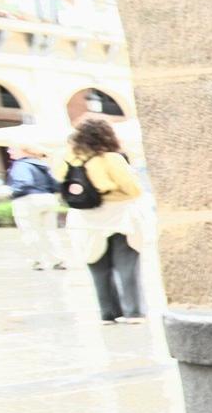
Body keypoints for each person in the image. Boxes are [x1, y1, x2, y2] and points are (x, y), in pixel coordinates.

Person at [55, 118, 148, 324]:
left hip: (84, 219)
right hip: (118, 215)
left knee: (97, 265)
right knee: (126, 264)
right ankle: (133, 312)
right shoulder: (111, 159)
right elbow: (133, 190)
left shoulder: (66, 159)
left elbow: (60, 185)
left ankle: (108, 312)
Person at [7, 147, 65, 271]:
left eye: (12, 149)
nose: (8, 151)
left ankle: (37, 261)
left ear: (24, 151)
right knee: (50, 231)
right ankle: (58, 260)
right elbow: (56, 184)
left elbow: (24, 182)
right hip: (47, 198)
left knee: (30, 231)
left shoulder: (20, 165)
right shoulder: (43, 165)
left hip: (27, 200)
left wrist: (12, 192)